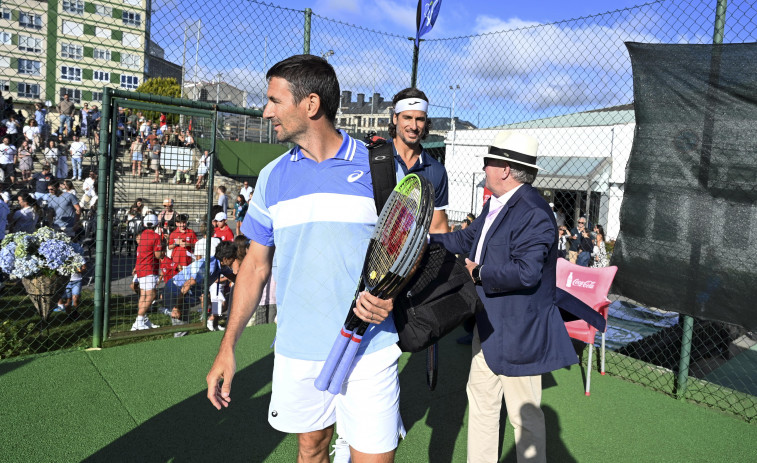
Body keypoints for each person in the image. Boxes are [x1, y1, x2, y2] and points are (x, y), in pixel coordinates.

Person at [206, 54, 400, 463]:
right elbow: (255, 267)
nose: (266, 111)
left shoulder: (380, 167)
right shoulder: (272, 177)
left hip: (371, 348)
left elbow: (408, 250)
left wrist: (391, 296)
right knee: (310, 450)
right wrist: (228, 346)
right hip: (299, 349)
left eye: (275, 100)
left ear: (310, 105)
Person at [429, 131, 578, 463]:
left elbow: (526, 272)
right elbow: (466, 239)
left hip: (520, 335)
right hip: (489, 326)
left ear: (505, 169)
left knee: (524, 419)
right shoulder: (497, 204)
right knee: (482, 406)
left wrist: (478, 273)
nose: (484, 169)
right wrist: (425, 241)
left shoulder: (534, 212)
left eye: (488, 162)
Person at [388, 87, 450, 233]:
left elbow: (438, 227)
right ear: (395, 118)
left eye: (420, 119)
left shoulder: (437, 170)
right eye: (407, 118)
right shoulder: (374, 158)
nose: (414, 126)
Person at [164, 240, 236, 330]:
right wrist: (176, 308)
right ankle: (167, 311)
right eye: (233, 257)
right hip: (176, 291)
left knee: (184, 327)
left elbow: (235, 278)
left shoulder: (221, 265)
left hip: (186, 293)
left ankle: (212, 322)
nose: (234, 260)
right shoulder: (210, 267)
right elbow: (188, 284)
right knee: (181, 327)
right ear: (225, 258)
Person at [132, 214, 162, 331]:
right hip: (150, 268)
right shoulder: (156, 236)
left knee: (144, 295)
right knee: (152, 295)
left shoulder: (143, 235)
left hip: (141, 267)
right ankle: (138, 320)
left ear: (144, 224)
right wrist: (163, 250)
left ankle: (143, 319)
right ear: (156, 224)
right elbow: (157, 255)